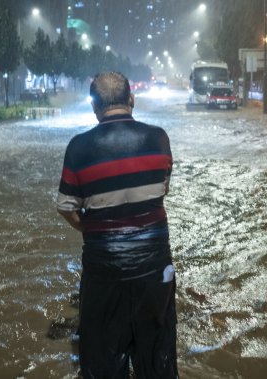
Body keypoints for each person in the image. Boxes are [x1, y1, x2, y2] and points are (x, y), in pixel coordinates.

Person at [57, 71, 178, 378]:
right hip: (155, 270)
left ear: (94, 108)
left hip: (103, 272)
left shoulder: (78, 148)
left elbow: (66, 207)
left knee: (103, 364)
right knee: (158, 360)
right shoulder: (158, 138)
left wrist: (93, 229)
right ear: (131, 100)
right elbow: (162, 189)